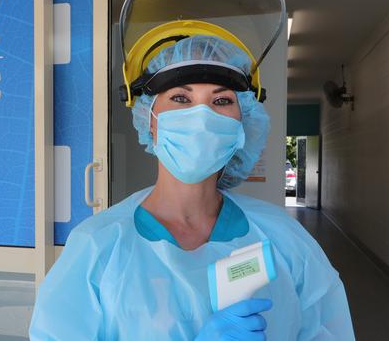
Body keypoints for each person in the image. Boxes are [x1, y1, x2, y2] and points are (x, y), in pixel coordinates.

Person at [29, 34, 354, 340]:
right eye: (181, 98)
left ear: (242, 124)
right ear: (150, 120)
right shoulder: (98, 247)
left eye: (222, 100)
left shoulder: (284, 239)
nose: (201, 116)